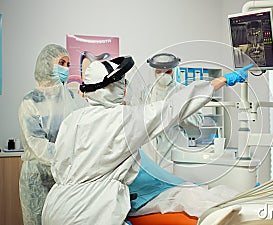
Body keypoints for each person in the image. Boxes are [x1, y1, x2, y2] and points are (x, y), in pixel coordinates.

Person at [41, 55, 253, 225]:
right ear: (109, 88)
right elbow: (175, 107)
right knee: (188, 195)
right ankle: (249, 205)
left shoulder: (73, 119)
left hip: (55, 208)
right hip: (90, 212)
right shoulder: (122, 119)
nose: (124, 89)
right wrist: (222, 80)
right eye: (120, 84)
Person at [18, 44, 88, 225]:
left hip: (66, 177)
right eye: (61, 63)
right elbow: (38, 145)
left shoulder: (74, 99)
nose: (65, 68)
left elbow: (88, 126)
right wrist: (68, 156)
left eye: (68, 64)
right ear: (46, 65)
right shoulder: (30, 102)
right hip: (38, 178)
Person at [140, 53, 204, 171]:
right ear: (154, 72)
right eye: (159, 72)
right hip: (150, 149)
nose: (163, 75)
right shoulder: (145, 93)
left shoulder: (185, 92)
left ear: (174, 71)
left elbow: (199, 120)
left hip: (176, 147)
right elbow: (138, 120)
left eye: (167, 72)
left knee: (175, 183)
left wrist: (179, 115)